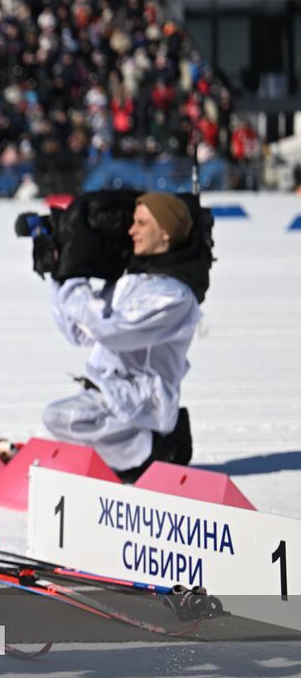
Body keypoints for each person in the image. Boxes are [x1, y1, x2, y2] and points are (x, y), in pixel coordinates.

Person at [42, 191, 206, 482]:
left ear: (166, 233)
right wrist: (58, 273)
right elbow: (80, 332)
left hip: (142, 406)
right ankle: (116, 458)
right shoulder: (133, 281)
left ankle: (153, 451)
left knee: (60, 418)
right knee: (57, 418)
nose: (132, 231)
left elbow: (110, 331)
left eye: (141, 223)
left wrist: (72, 275)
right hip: (111, 396)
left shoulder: (175, 297)